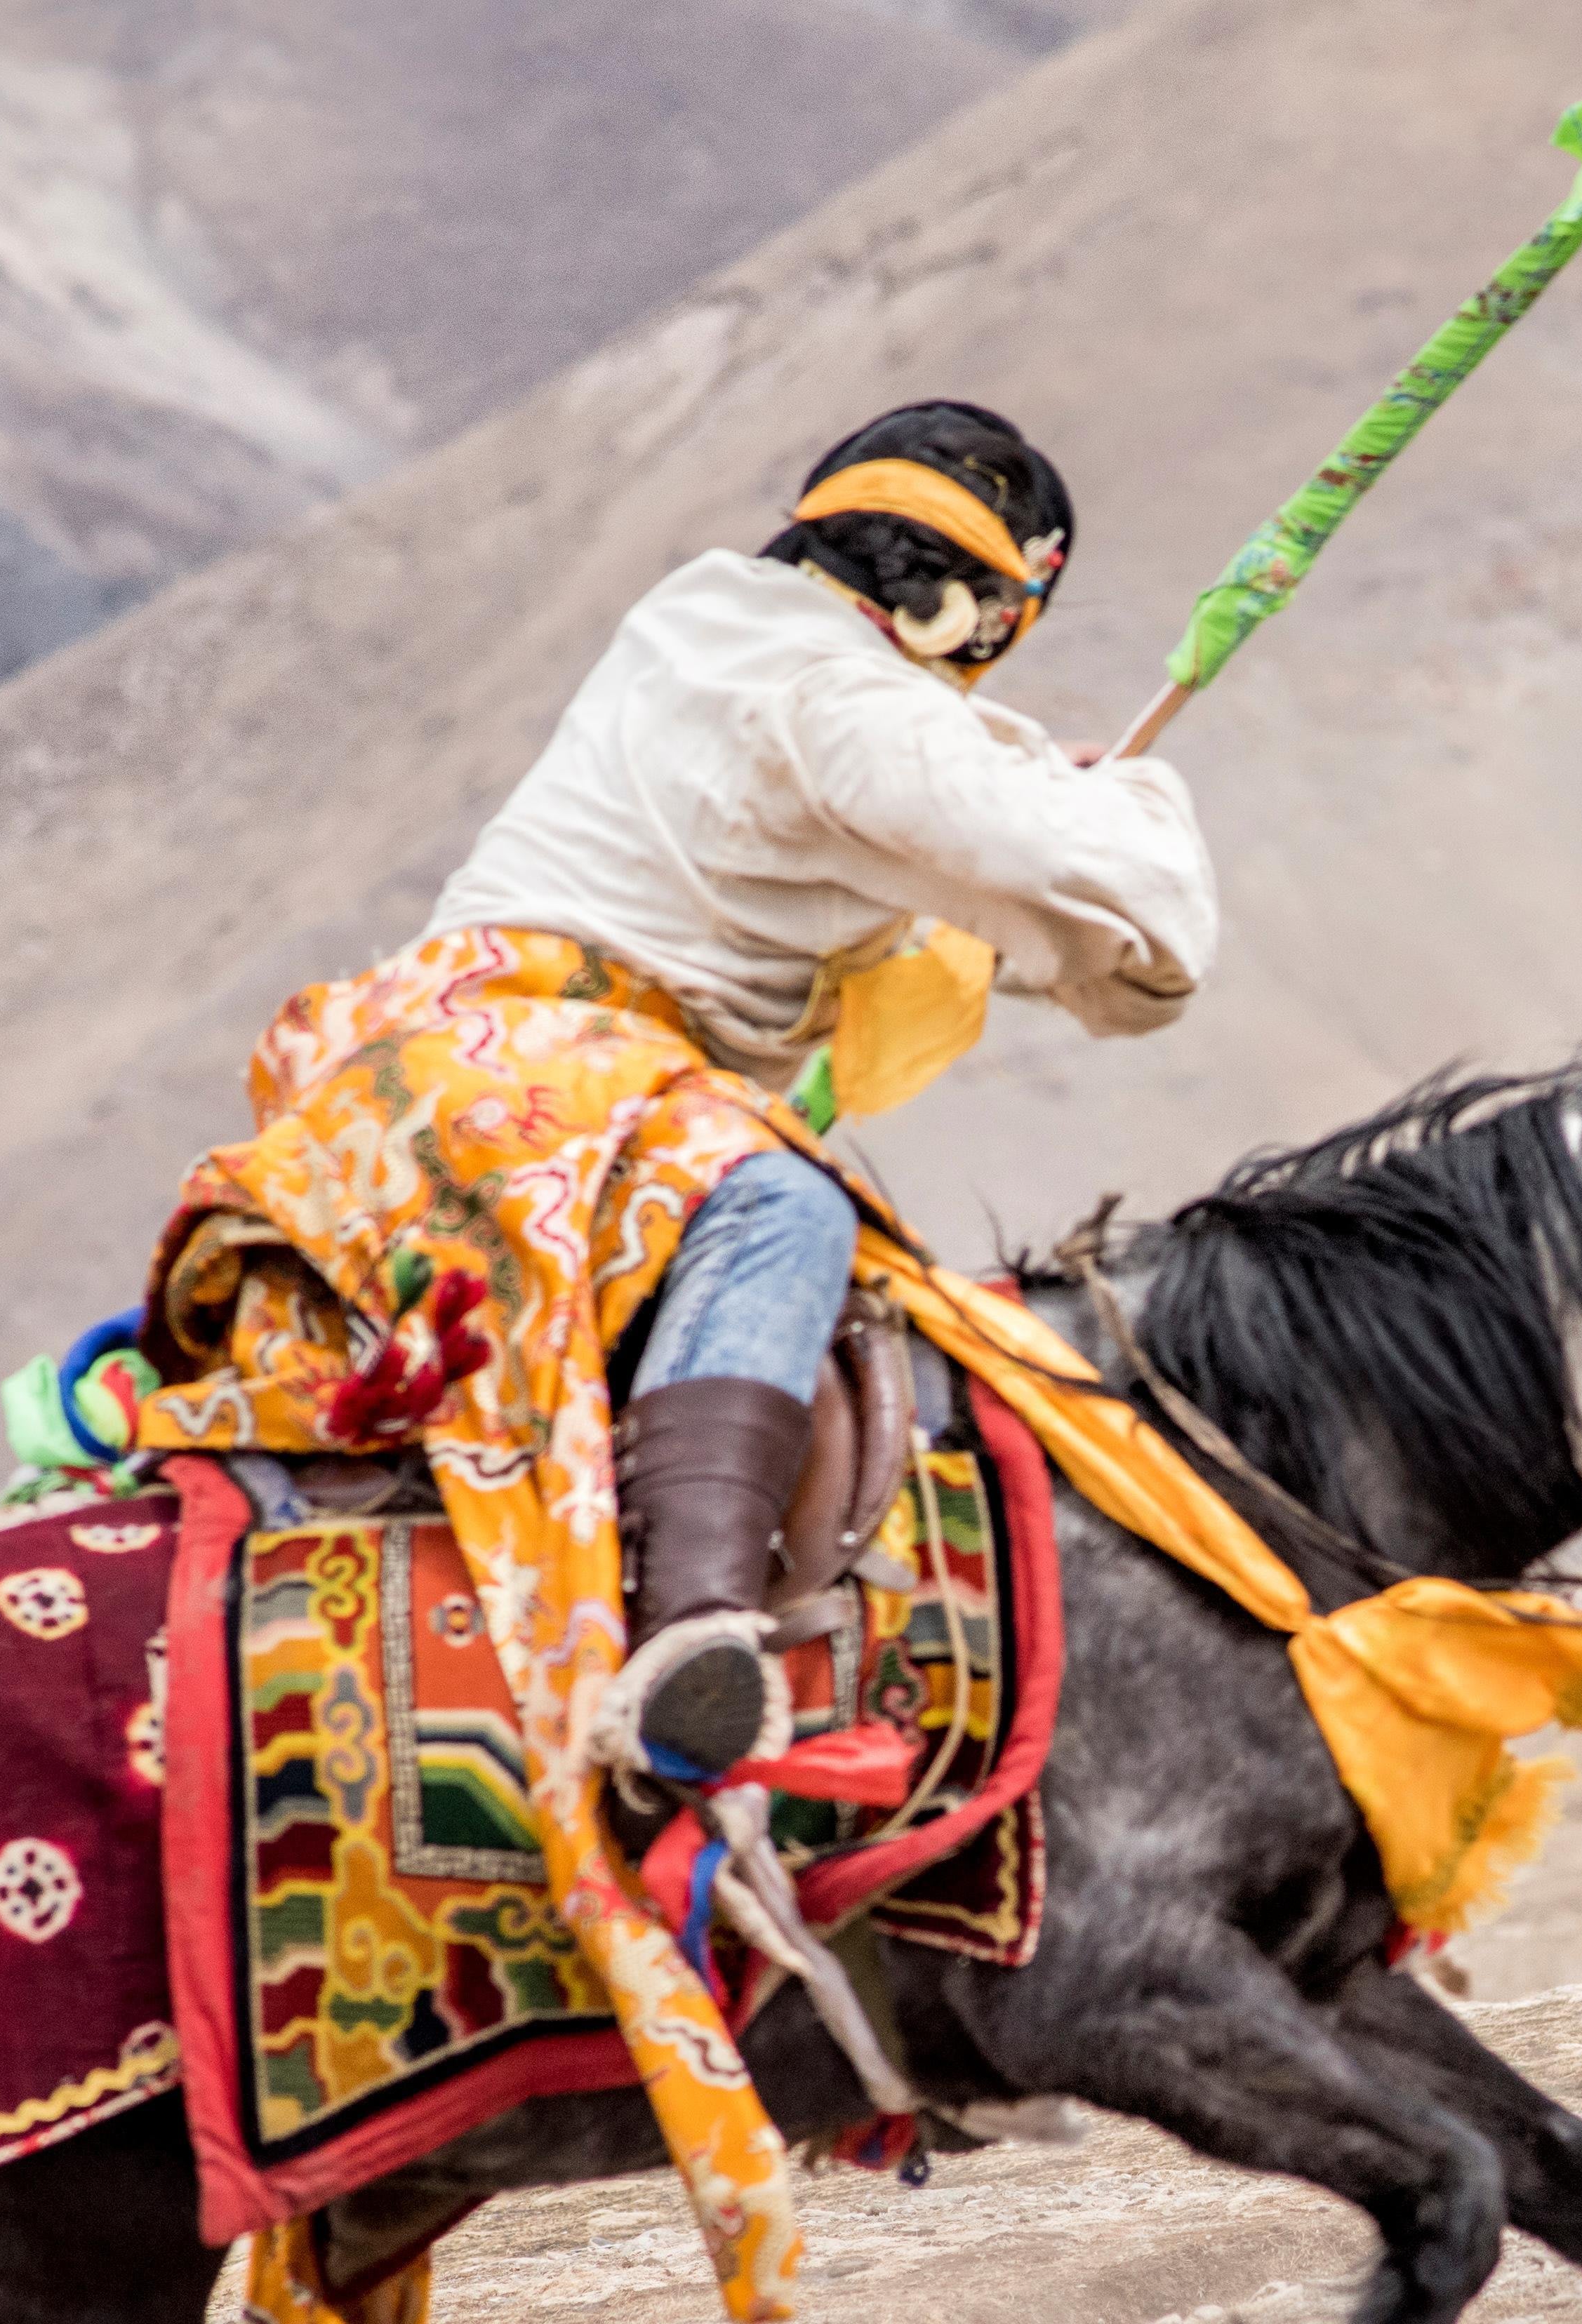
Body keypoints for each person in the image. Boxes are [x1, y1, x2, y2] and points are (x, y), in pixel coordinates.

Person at [423, 397, 1216, 1774]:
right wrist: (1125, 805)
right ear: (939, 611)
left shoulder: (694, 617)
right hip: (569, 1091)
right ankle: (693, 1636)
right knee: (783, 1209)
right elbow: (1143, 943)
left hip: (406, 1074)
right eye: (985, 635)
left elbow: (892, 881)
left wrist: (1023, 778)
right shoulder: (845, 705)